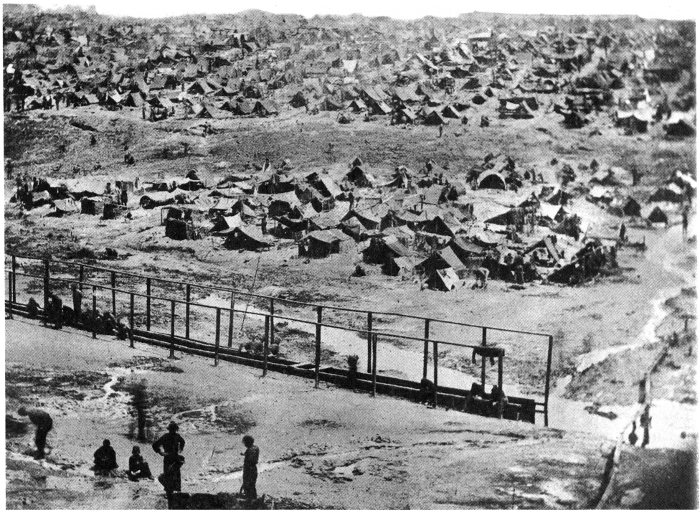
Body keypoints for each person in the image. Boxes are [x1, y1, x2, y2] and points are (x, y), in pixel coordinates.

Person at [153, 422, 185, 502]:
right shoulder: (166, 436)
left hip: (175, 458)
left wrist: (181, 448)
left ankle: (176, 492)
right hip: (168, 458)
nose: (173, 431)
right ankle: (169, 493)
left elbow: (183, 442)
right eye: (172, 429)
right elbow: (155, 445)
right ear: (169, 429)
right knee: (168, 475)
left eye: (174, 430)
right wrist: (160, 452)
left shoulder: (177, 436)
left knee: (176, 475)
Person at [241, 435, 260, 501]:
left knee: (248, 486)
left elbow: (250, 459)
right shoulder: (255, 448)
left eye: (245, 443)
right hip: (253, 469)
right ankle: (253, 500)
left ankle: (250, 502)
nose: (245, 445)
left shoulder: (250, 450)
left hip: (249, 470)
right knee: (252, 486)